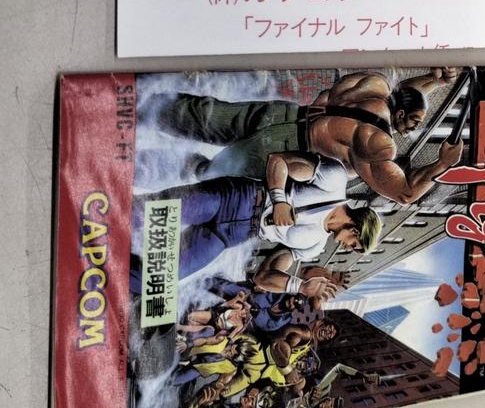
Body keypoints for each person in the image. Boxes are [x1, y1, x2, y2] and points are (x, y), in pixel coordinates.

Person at [160, 68, 464, 205]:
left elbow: (404, 95)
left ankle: (148, 106)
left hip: (283, 114)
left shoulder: (375, 85)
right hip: (282, 147)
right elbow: (405, 194)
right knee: (208, 174)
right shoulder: (379, 143)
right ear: (401, 114)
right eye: (413, 121)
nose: (412, 129)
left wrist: (433, 81)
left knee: (202, 115)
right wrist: (442, 164)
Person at [132, 150, 381, 284]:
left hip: (231, 235)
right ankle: (109, 212)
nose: (347, 247)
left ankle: (112, 268)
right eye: (354, 245)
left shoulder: (314, 246)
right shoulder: (335, 180)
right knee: (151, 211)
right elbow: (279, 160)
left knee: (160, 279)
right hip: (237, 198)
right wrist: (280, 200)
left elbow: (264, 277)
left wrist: (299, 287)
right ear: (356, 230)